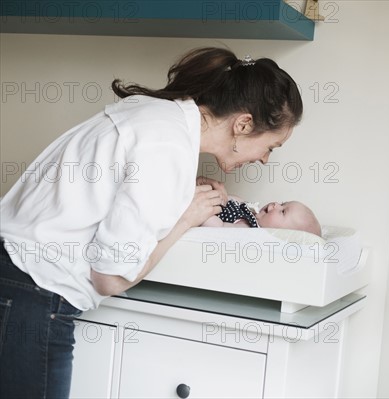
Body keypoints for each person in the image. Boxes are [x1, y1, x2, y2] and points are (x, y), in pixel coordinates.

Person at [0, 47, 302, 399]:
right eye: (271, 147)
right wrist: (185, 219)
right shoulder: (168, 147)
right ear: (244, 124)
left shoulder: (157, 118)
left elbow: (114, 185)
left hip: (16, 279)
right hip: (34, 295)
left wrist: (178, 195)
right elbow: (110, 278)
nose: (265, 160)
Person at [202, 195, 321, 236]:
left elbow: (219, 227)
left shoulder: (249, 229)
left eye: (283, 211)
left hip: (203, 210)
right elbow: (233, 200)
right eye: (282, 203)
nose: (276, 204)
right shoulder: (251, 212)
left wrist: (204, 211)